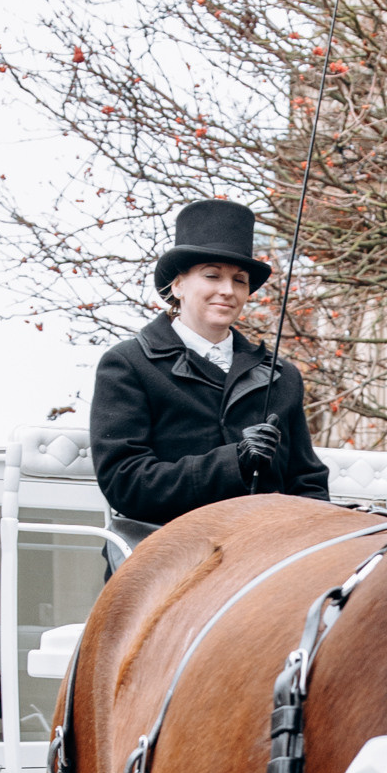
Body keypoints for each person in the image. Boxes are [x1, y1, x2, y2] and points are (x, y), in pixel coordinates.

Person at [87, 198, 330, 540]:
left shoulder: (281, 376)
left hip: (265, 549)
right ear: (178, 285)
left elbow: (308, 482)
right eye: (212, 275)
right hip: (167, 546)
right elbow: (126, 484)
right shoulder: (128, 365)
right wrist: (234, 462)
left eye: (240, 280)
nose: (227, 291)